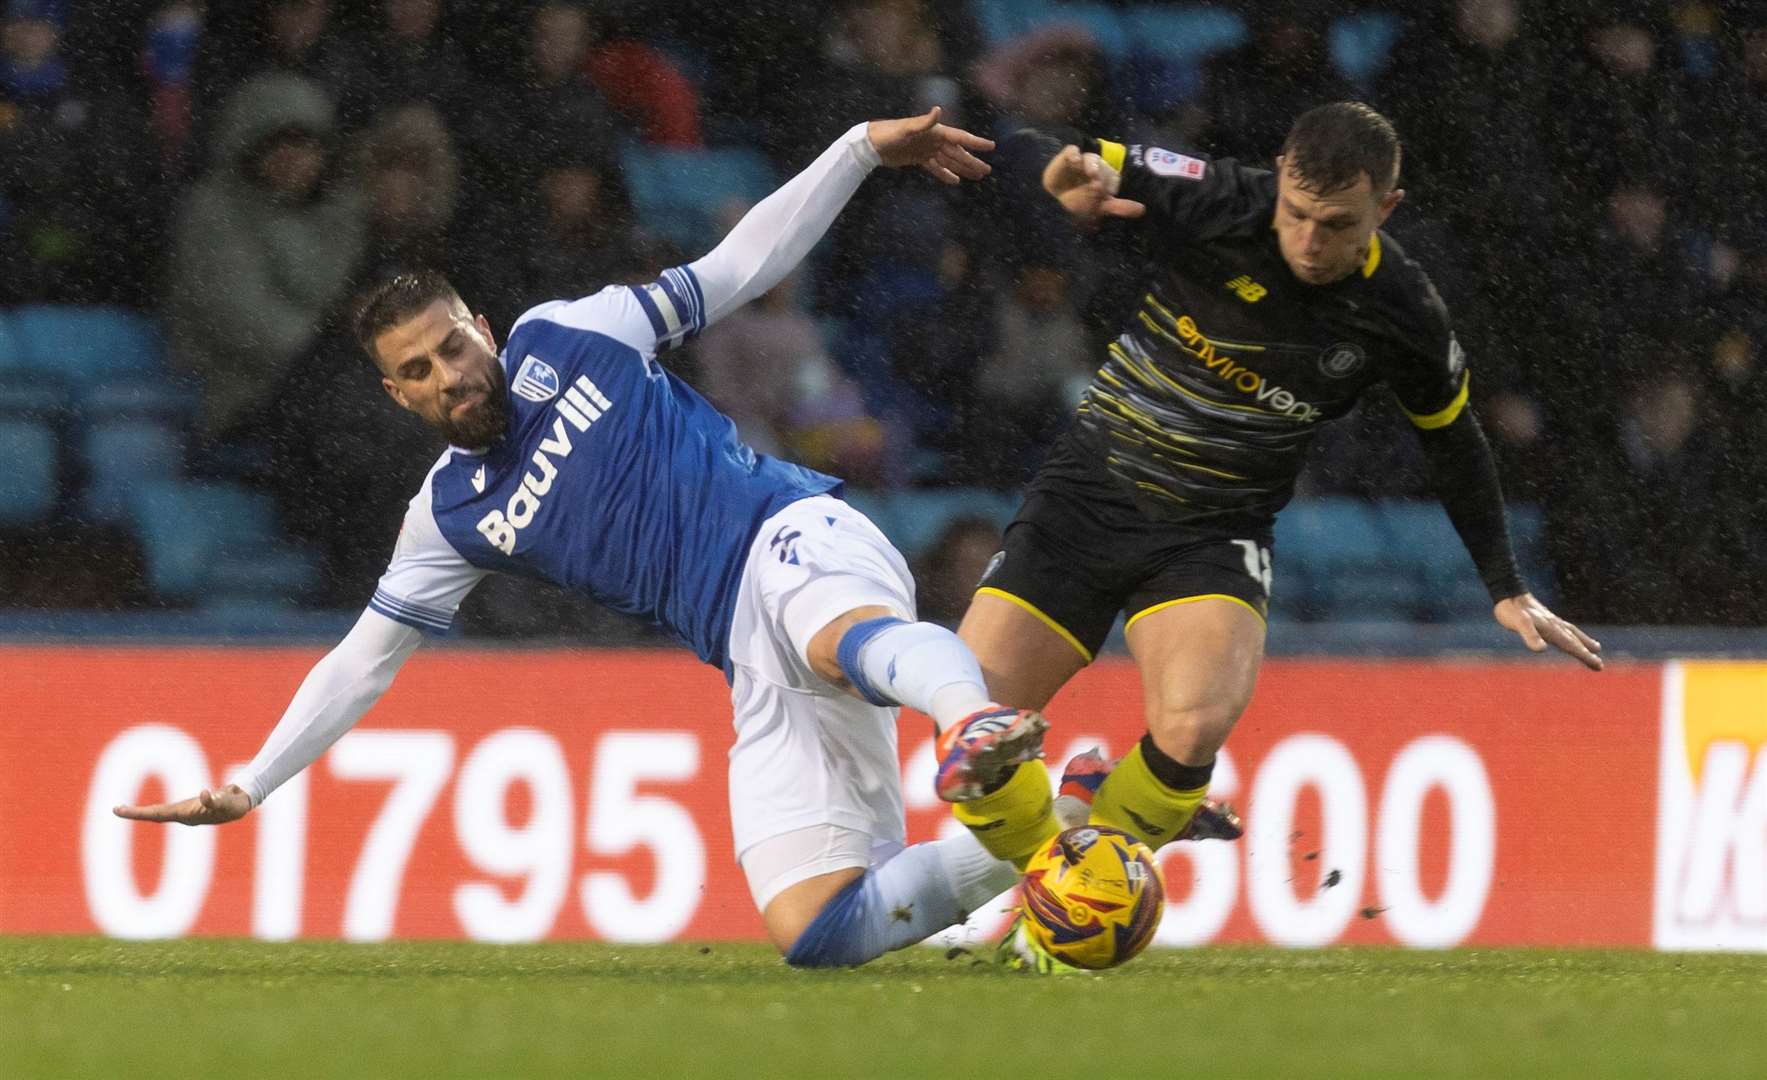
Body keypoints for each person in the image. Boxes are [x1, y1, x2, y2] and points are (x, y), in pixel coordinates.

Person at [115, 110, 1060, 970]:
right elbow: (361, 662)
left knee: (838, 640)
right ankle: (1057, 829)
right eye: (418, 370)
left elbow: (734, 268)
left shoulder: (569, 335)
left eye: (452, 345)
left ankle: (967, 719)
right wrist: (252, 783)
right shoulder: (448, 516)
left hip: (789, 535)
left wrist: (856, 150)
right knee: (817, 929)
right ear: (396, 395)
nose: (449, 373)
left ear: (480, 328)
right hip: (743, 651)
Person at [945, 103, 1604, 916]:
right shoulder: (1219, 197)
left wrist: (1504, 584)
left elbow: (1453, 441)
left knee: (1190, 730)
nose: (1308, 242)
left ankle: (1058, 915)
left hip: (1212, 532)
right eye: (1295, 215)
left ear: (1384, 212)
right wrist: (1058, 178)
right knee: (969, 736)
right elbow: (1043, 149)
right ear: (1277, 187)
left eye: (1336, 225)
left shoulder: (1403, 309)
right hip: (1086, 495)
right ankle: (1085, 826)